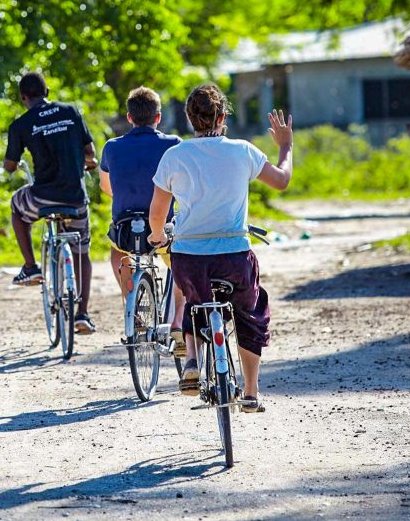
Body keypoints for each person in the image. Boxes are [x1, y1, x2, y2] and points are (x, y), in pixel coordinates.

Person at [148, 84, 293, 412]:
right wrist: (286, 146)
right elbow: (281, 180)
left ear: (189, 118)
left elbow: (157, 215)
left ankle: (192, 361)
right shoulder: (243, 151)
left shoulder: (174, 156)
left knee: (193, 301)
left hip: (190, 258)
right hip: (234, 258)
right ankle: (251, 392)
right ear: (223, 117)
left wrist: (158, 237)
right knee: (250, 313)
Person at [3, 72, 99, 334]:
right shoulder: (71, 112)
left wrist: (13, 161)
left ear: (23, 97)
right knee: (81, 251)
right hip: (75, 199)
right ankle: (83, 314)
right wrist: (85, 163)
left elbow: (10, 166)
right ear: (47, 91)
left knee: (16, 205)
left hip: (42, 197)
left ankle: (31, 267)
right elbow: (90, 153)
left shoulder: (20, 124)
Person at [98, 87, 184, 350]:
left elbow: (106, 187)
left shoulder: (111, 147)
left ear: (129, 117)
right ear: (158, 117)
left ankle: (131, 304)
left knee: (118, 254)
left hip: (126, 232)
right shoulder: (173, 144)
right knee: (182, 264)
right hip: (161, 232)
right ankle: (178, 322)